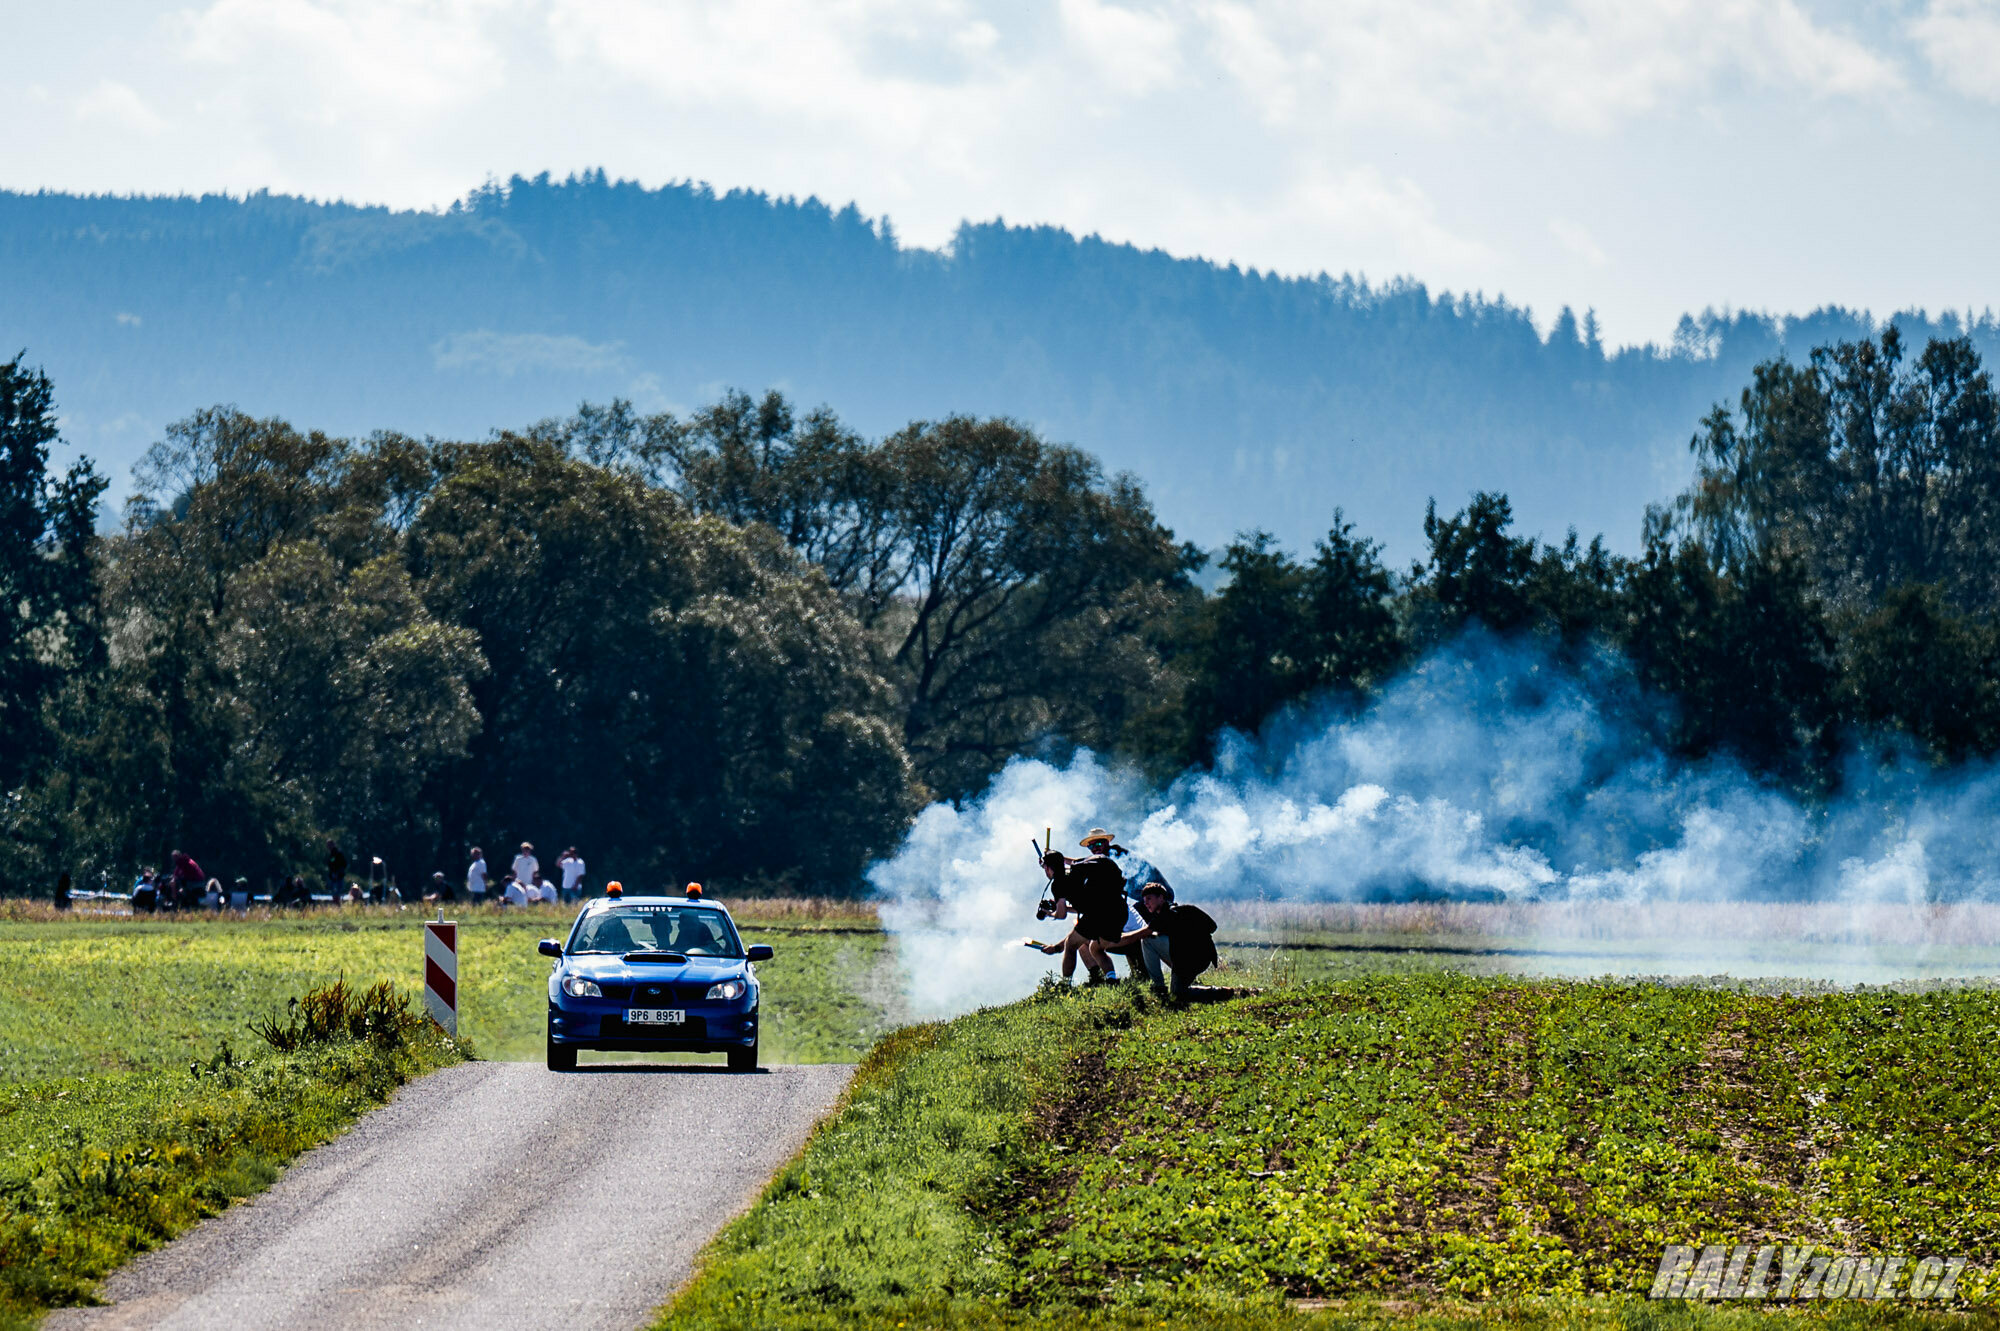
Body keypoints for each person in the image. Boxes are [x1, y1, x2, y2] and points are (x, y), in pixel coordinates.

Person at [1033, 832, 1129, 984]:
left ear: (1048, 868)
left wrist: (1050, 913)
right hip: (1118, 911)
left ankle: (1065, 984)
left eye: (1045, 867)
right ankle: (1111, 980)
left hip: (1097, 916)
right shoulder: (1078, 871)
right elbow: (1084, 906)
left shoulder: (1058, 883)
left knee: (1070, 944)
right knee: (1096, 949)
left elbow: (1062, 914)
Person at [1120, 883, 1219, 999]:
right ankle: (1221, 992)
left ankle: (1159, 987)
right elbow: (1213, 926)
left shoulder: (1165, 915)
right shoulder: (1183, 909)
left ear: (1161, 898)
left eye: (1149, 899)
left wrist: (1112, 939)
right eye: (1144, 900)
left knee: (1147, 940)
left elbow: (1137, 936)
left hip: (1192, 958)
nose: (1145, 903)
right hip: (1202, 958)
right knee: (1178, 992)